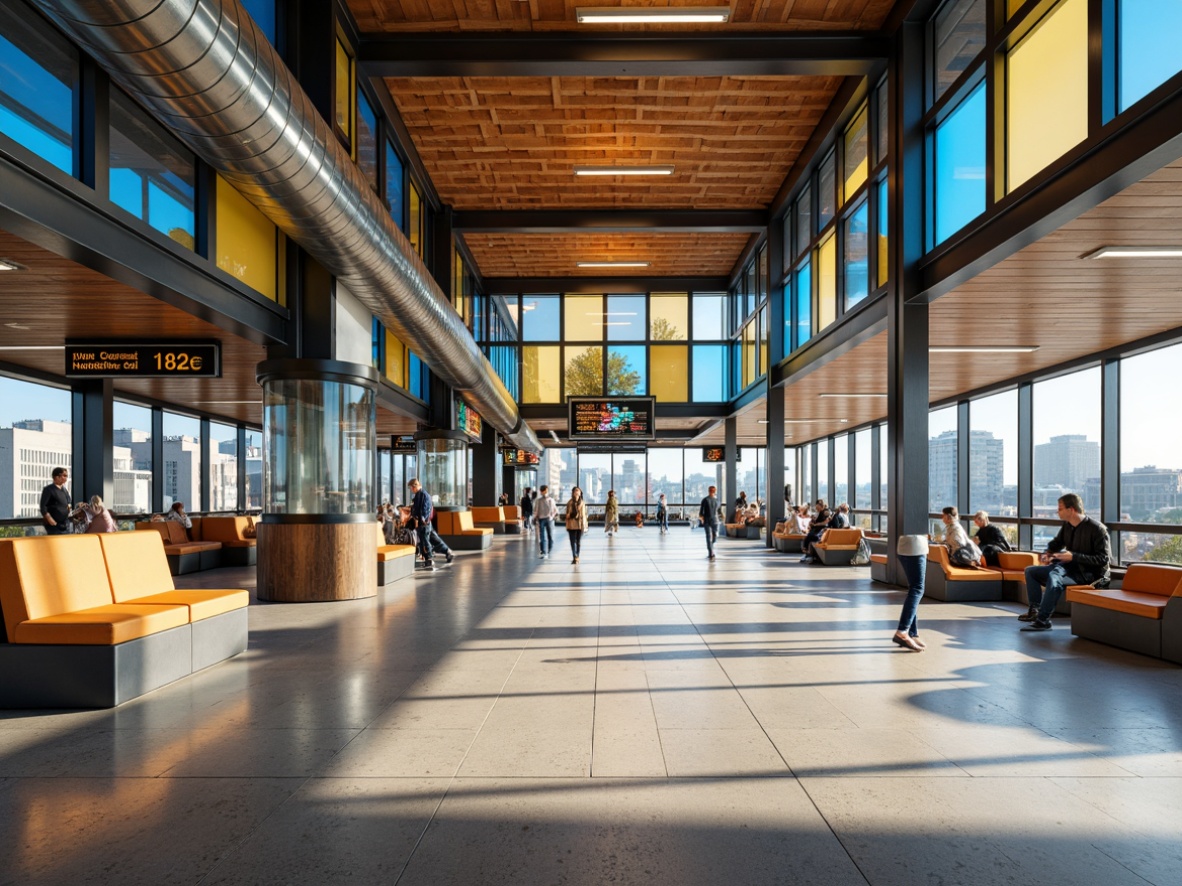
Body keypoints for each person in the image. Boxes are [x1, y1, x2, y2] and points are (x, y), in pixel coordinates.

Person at [1021, 493, 1111, 632]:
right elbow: (1057, 543)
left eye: (1060, 508)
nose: (1058, 512)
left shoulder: (1097, 529)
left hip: (1088, 575)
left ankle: (1043, 620)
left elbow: (1103, 559)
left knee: (1054, 576)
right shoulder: (1068, 526)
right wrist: (1048, 553)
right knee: (1031, 571)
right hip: (1069, 568)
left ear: (1071, 510)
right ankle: (1035, 611)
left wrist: (1073, 557)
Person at [893, 534, 930, 651]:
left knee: (914, 588)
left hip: (904, 547)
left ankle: (911, 633)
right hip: (916, 547)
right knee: (917, 589)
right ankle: (902, 631)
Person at [408, 478, 454, 570]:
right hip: (426, 522)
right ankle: (447, 551)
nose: (410, 490)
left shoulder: (423, 495)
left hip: (424, 523)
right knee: (434, 539)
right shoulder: (420, 494)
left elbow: (424, 509)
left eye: (411, 488)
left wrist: (421, 519)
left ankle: (429, 559)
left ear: (414, 486)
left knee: (425, 541)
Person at [40, 466, 72, 535]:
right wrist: (49, 519)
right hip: (54, 525)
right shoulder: (49, 489)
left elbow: (68, 501)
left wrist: (69, 508)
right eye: (64, 475)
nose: (66, 478)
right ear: (57, 477)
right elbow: (43, 506)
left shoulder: (64, 490)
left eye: (66, 476)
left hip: (65, 524)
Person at [800, 498, 833, 563]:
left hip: (822, 529)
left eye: (818, 508)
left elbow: (825, 522)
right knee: (809, 537)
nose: (817, 509)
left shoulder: (826, 512)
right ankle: (807, 553)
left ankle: (808, 554)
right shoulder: (818, 512)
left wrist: (816, 524)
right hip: (817, 529)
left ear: (821, 506)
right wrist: (812, 523)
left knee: (811, 537)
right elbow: (814, 521)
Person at [564, 486, 588, 564]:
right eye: (576, 491)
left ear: (580, 493)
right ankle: (575, 556)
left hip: (580, 524)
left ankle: (577, 555)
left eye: (579, 491)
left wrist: (585, 525)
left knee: (578, 542)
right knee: (572, 541)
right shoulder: (570, 503)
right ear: (573, 493)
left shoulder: (583, 503)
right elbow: (567, 514)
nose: (577, 492)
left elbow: (585, 514)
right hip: (572, 524)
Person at [534, 484, 557, 558]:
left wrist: (552, 517)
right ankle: (543, 551)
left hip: (549, 519)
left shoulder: (551, 500)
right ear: (541, 492)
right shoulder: (538, 501)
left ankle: (549, 549)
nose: (545, 492)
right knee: (542, 536)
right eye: (543, 491)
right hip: (541, 520)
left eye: (546, 491)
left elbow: (555, 510)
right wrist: (535, 518)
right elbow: (536, 510)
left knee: (550, 535)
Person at [700, 485, 720, 560]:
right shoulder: (706, 500)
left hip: (713, 520)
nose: (712, 492)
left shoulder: (716, 500)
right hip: (709, 520)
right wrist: (702, 518)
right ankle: (711, 552)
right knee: (709, 536)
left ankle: (711, 549)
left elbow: (719, 510)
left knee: (713, 536)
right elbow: (701, 512)